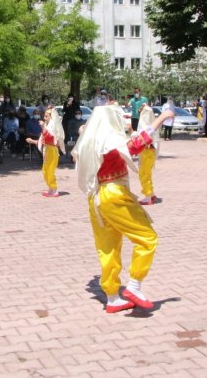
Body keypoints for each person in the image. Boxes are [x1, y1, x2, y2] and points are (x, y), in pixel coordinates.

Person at [72, 104, 174, 313]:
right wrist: (161, 118)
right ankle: (134, 286)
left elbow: (78, 155)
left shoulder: (89, 141)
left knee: (108, 247)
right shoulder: (109, 139)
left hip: (96, 198)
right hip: (113, 194)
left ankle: (112, 297)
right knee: (147, 238)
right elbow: (135, 145)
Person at [26, 106, 65, 197]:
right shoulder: (48, 126)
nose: (44, 118)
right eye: (44, 116)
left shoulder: (52, 127)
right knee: (45, 170)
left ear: (51, 117)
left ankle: (54, 189)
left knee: (50, 170)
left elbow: (49, 138)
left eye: (46, 116)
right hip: (47, 150)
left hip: (51, 150)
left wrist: (43, 127)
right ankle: (51, 189)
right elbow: (42, 140)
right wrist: (32, 141)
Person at [137, 104, 160, 205]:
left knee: (144, 174)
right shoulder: (152, 125)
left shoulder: (145, 126)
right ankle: (151, 193)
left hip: (146, 151)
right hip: (151, 151)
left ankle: (148, 196)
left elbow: (142, 138)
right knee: (148, 173)